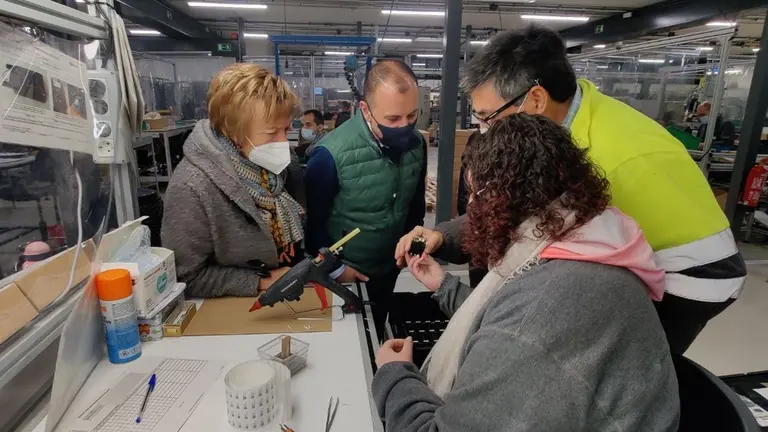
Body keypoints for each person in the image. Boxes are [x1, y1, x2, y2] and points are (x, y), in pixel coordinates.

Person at [396, 26, 745, 355]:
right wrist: (443, 236)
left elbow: (519, 229)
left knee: (613, 369)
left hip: (692, 279)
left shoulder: (597, 158)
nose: (484, 130)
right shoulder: (572, 115)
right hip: (651, 259)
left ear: (535, 99)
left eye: (488, 117)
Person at [375, 115, 679, 431]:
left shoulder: (540, 315)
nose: (471, 213)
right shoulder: (590, 241)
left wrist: (394, 374)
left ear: (494, 204)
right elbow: (506, 320)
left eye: (475, 197)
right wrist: (443, 285)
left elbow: (522, 330)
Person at [162, 63, 306, 298]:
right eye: (271, 133)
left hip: (289, 291)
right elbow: (185, 276)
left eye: (286, 129)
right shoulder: (192, 187)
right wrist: (261, 281)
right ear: (233, 132)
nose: (283, 143)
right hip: (236, 306)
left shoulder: (282, 167)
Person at [305, 59, 427, 335]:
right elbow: (312, 229)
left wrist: (411, 245)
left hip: (390, 267)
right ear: (365, 110)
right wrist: (336, 271)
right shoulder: (330, 155)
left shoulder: (416, 145)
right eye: (393, 119)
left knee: (378, 329)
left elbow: (414, 205)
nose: (405, 127)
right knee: (350, 343)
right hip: (345, 276)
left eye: (412, 116)